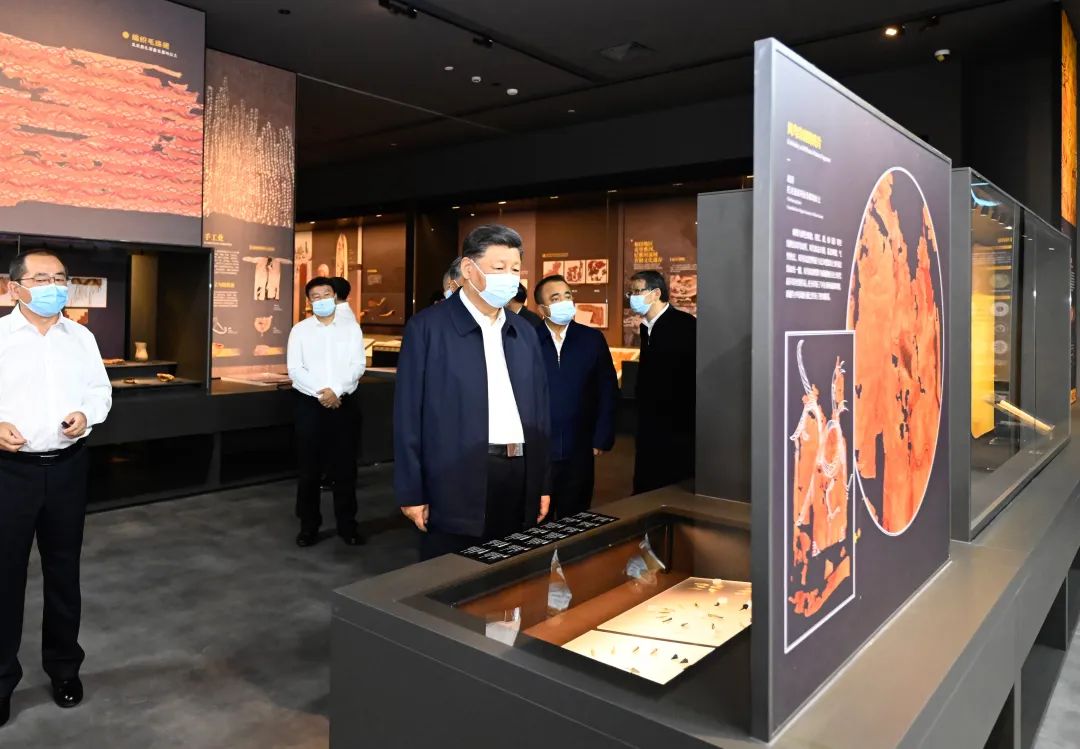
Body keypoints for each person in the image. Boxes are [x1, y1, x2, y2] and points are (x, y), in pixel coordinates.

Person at [0, 251, 112, 727]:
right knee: (4, 577)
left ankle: (64, 668)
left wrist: (87, 414)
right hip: (9, 473)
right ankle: (1, 680)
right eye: (42, 278)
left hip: (67, 468)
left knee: (64, 573)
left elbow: (99, 391)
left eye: (60, 278)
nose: (54, 286)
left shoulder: (81, 337)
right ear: (15, 288)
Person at [395, 225, 552, 560]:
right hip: (454, 477)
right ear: (468, 268)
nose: (509, 278)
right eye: (499, 268)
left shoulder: (524, 332)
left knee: (512, 571)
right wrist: (411, 490)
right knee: (453, 573)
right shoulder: (427, 328)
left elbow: (541, 411)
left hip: (518, 473)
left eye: (515, 269)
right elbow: (408, 415)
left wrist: (541, 482)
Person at [287, 277, 366, 548]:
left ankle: (348, 526)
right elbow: (295, 370)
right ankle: (308, 526)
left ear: (335, 296)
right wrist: (323, 394)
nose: (321, 300)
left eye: (326, 294)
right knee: (309, 469)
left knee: (345, 469)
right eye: (316, 296)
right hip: (310, 405)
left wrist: (337, 391)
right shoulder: (300, 330)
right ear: (309, 302)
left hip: (344, 403)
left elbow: (358, 365)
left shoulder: (351, 328)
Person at [534, 275, 618, 519]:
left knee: (576, 516)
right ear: (542, 309)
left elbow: (607, 388)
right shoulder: (528, 339)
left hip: (580, 445)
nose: (564, 301)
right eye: (555, 298)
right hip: (540, 447)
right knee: (538, 517)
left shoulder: (591, 339)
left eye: (567, 296)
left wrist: (602, 436)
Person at [628, 270, 697, 495]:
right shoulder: (646, 326)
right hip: (649, 420)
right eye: (631, 293)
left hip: (676, 424)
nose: (633, 297)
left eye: (637, 291)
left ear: (656, 293)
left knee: (672, 484)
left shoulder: (684, 325)